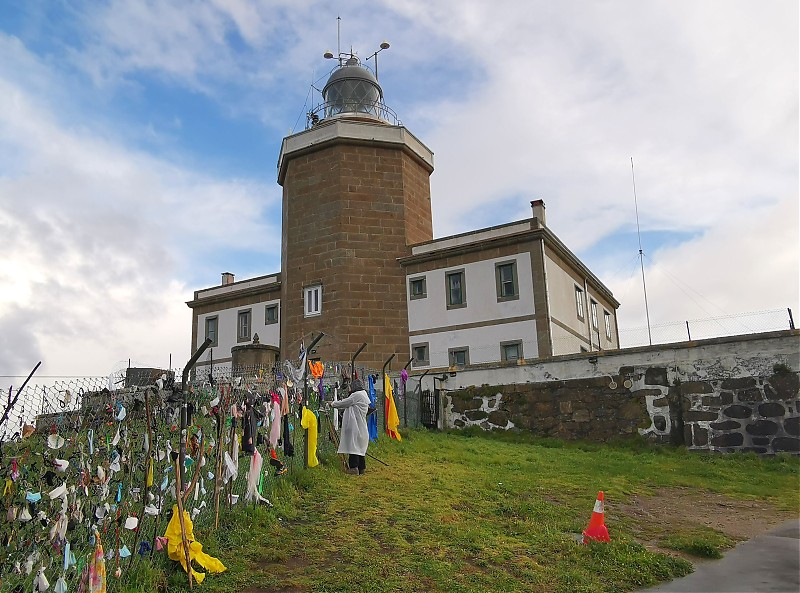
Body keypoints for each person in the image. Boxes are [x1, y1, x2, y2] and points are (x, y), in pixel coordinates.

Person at [329, 378, 370, 475]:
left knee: (354, 447)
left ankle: (353, 468)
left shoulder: (357, 395)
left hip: (355, 425)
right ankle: (361, 468)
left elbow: (344, 403)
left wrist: (332, 404)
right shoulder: (364, 395)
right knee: (359, 448)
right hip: (361, 425)